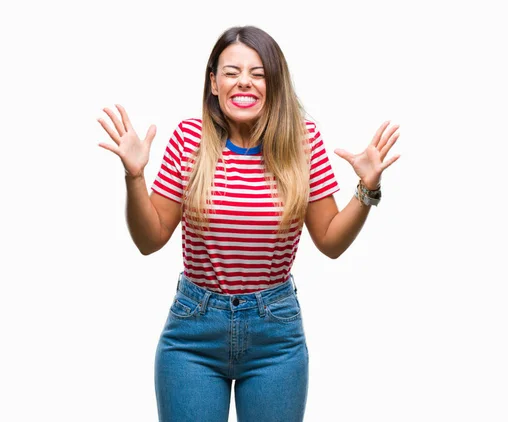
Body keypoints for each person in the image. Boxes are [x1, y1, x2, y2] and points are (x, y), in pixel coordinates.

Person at [97, 25, 400, 422]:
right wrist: (134, 177)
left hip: (275, 336)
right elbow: (149, 239)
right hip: (194, 335)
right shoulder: (190, 140)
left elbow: (330, 241)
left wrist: (366, 188)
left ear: (274, 84)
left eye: (258, 73)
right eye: (231, 72)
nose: (245, 82)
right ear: (213, 82)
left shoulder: (302, 143)